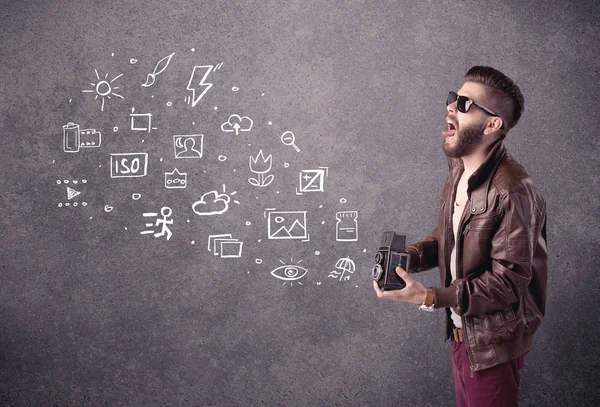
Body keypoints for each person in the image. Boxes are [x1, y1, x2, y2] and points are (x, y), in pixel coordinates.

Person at [373, 66, 547, 406]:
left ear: (492, 124)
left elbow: (508, 283)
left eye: (464, 104)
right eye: (453, 98)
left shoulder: (514, 190)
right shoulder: (459, 169)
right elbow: (448, 238)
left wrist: (429, 297)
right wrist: (404, 262)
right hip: (462, 334)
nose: (450, 107)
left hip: (492, 348)